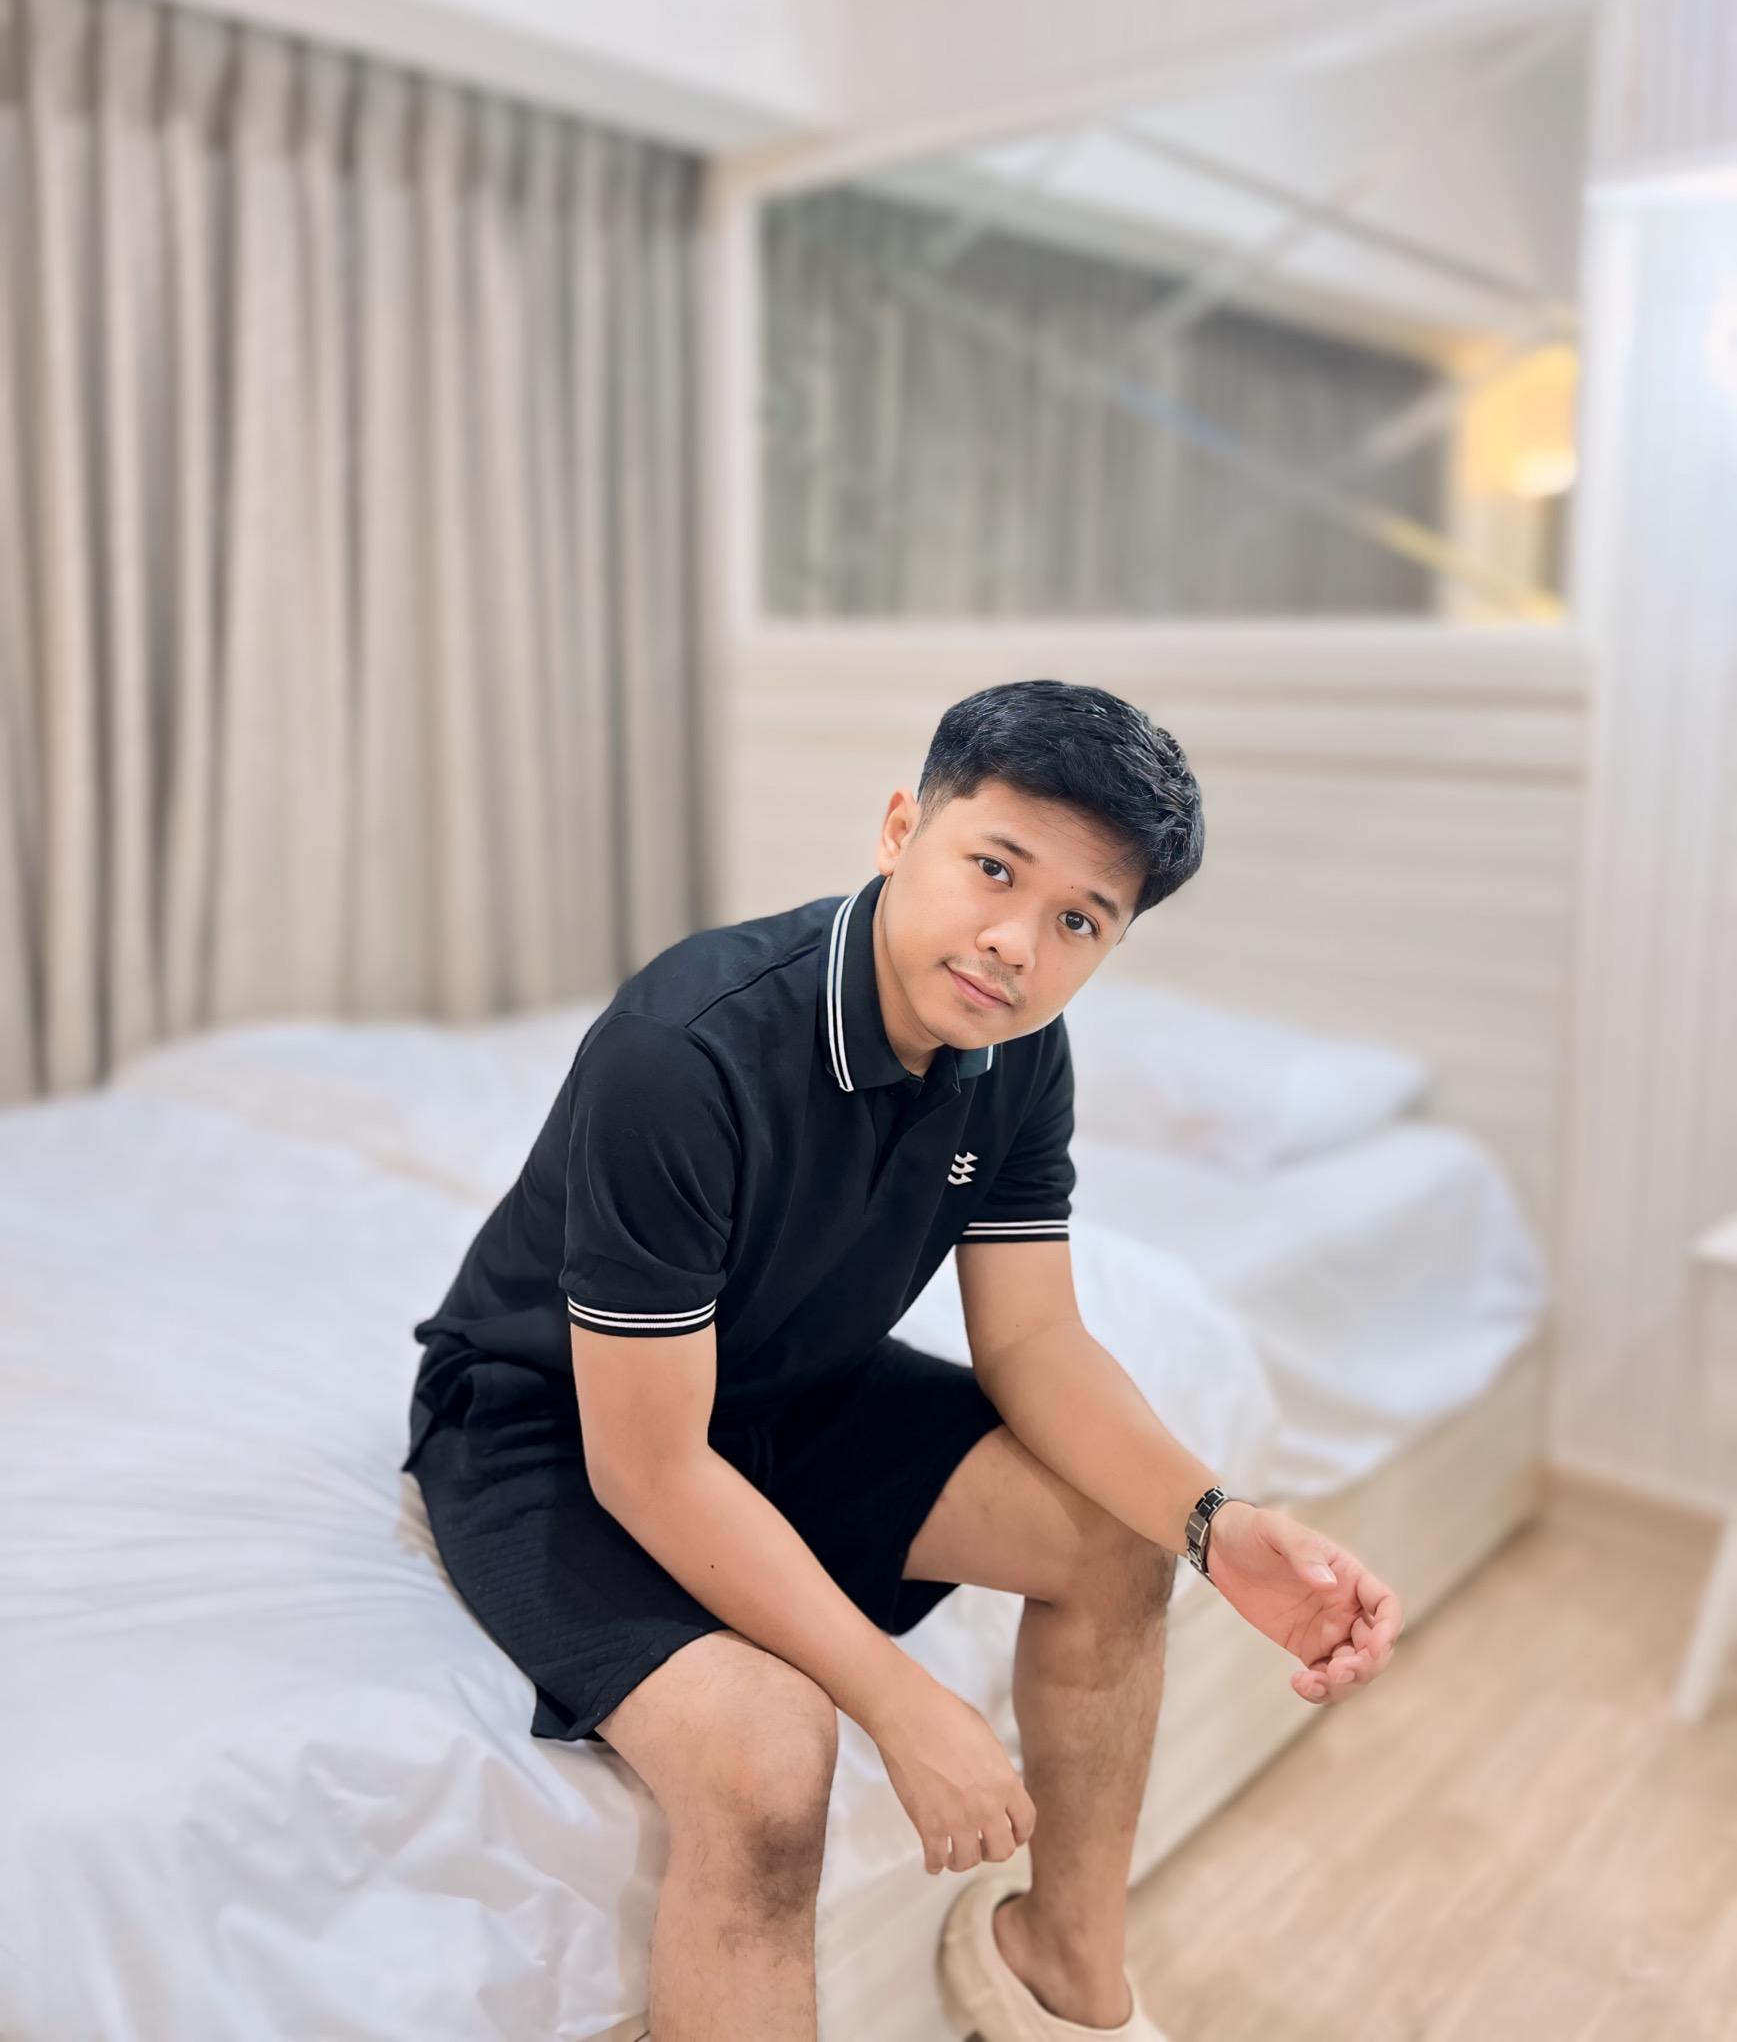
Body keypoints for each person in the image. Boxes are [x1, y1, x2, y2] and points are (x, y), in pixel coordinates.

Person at [402, 677, 1404, 2042]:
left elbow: (1035, 1341)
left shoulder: (1020, 1051)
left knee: (1118, 1545)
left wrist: (1212, 1523)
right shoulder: (682, 1049)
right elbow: (648, 1464)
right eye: (994, 868)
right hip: (559, 1427)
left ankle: (1063, 1971)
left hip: (784, 1384)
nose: (1013, 943)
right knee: (770, 1755)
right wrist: (895, 1699)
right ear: (898, 830)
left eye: (1077, 921)